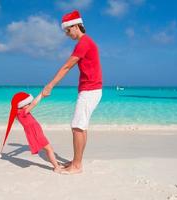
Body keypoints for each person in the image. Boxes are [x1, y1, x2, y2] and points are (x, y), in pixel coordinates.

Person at [42, 10, 103, 174]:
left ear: (76, 26)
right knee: (81, 128)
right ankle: (77, 161)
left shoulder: (83, 43)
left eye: (68, 30)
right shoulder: (87, 42)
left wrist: (50, 85)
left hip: (90, 90)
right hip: (92, 90)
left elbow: (67, 66)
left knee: (76, 127)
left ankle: (77, 166)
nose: (67, 34)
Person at [0, 92, 62, 173]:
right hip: (35, 133)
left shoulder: (18, 113)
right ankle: (56, 167)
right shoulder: (22, 112)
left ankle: (56, 163)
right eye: (27, 103)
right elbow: (34, 103)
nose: (29, 104)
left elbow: (16, 152)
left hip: (34, 133)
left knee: (47, 150)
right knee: (49, 149)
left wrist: (12, 153)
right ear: (22, 106)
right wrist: (41, 94)